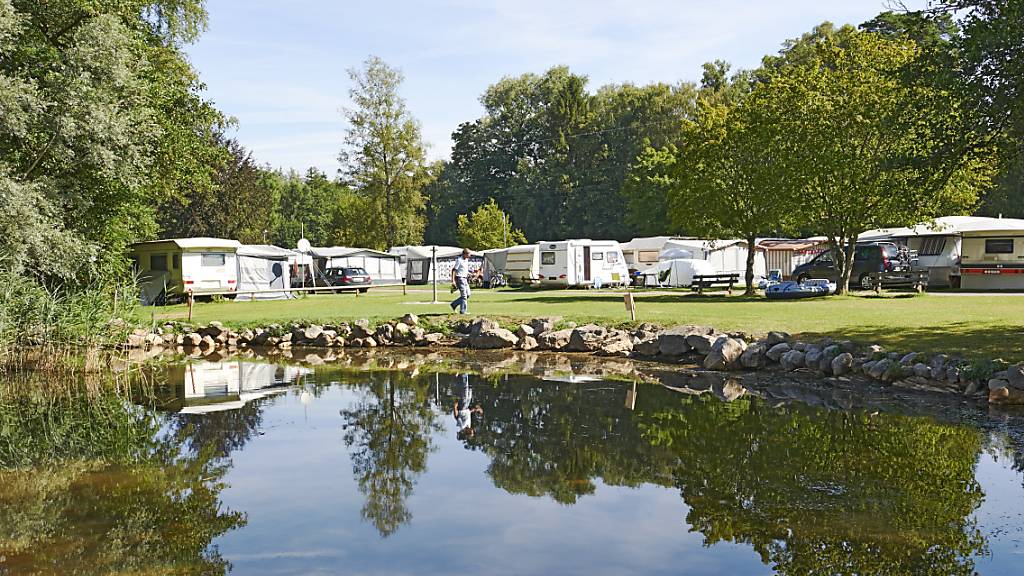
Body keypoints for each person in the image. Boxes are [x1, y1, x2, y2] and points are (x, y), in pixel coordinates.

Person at [450, 248, 472, 314]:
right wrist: (453, 281)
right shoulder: (459, 260)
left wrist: (470, 274)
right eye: (469, 254)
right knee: (464, 296)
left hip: (465, 279)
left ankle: (454, 304)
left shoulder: (466, 260)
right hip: (460, 279)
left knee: (468, 294)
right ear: (464, 254)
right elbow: (454, 270)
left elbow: (464, 269)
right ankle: (463, 311)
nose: (470, 255)